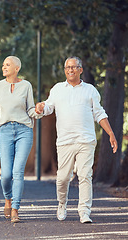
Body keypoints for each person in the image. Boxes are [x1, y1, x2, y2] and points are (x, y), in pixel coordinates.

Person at [35, 56, 118, 224]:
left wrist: (111, 133)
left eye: (74, 67)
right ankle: (62, 204)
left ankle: (84, 212)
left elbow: (99, 113)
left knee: (85, 175)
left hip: (86, 140)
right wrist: (40, 107)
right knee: (63, 178)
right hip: (65, 141)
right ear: (65, 70)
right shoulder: (58, 89)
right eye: (67, 67)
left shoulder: (90, 90)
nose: (70, 70)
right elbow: (48, 107)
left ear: (81, 70)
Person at [0, 56, 42, 223]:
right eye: (3, 64)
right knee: (5, 175)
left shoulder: (26, 86)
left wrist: (39, 111)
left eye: (7, 64)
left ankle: (15, 209)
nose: (4, 67)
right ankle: (8, 198)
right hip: (5, 131)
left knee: (18, 172)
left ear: (17, 68)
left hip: (24, 131)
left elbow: (31, 109)